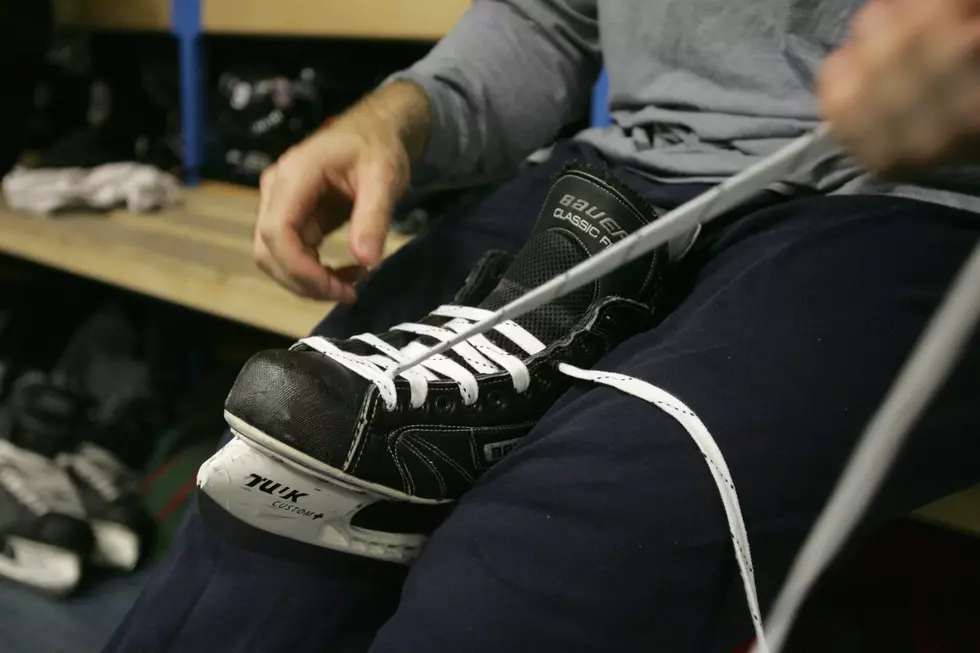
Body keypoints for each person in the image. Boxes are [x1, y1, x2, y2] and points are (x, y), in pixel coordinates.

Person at [105, 1, 980, 651]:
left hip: (922, 209)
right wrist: (397, 116)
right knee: (278, 492)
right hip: (617, 175)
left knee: (541, 566)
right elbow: (546, 14)